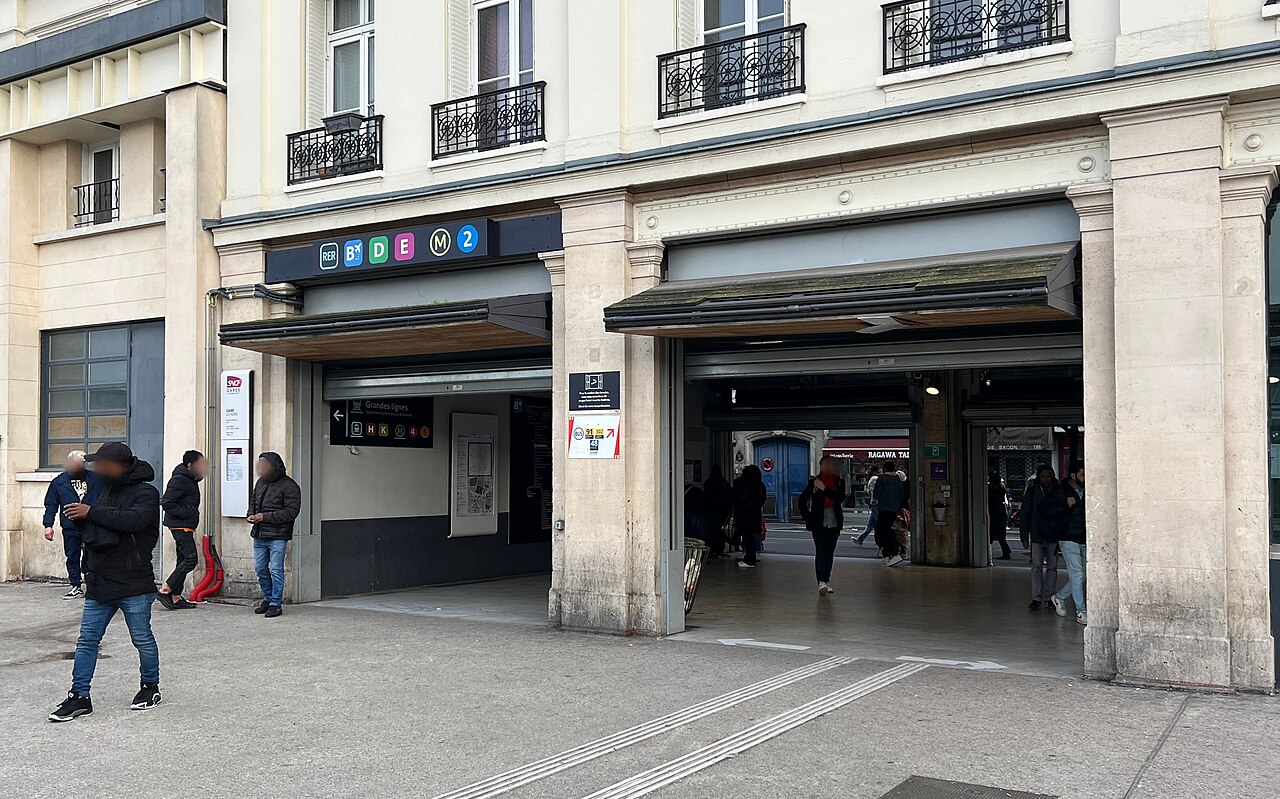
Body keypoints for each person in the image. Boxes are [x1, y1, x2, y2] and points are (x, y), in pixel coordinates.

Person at [48, 442, 161, 722]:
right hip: (100, 582)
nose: (96, 469)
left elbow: (134, 521)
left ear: (119, 466)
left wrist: (91, 513)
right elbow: (95, 523)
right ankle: (79, 697)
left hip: (134, 582)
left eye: (102, 464)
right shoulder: (104, 490)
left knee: (141, 638)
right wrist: (77, 519)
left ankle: (150, 687)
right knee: (87, 641)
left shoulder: (146, 493)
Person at [41, 450, 101, 600]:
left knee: (92, 555)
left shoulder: (97, 479)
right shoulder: (59, 482)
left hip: (92, 523)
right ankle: (75, 585)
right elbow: (51, 504)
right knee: (72, 555)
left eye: (80, 463)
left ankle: (92, 585)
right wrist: (48, 525)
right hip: (70, 525)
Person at [248, 452, 302, 618]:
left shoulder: (290, 485)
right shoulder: (261, 482)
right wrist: (250, 514)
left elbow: (291, 512)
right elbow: (254, 502)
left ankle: (276, 603)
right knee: (260, 568)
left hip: (278, 535)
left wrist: (265, 517)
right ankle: (268, 597)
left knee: (276, 570)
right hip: (259, 533)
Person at [157, 450, 207, 611]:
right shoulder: (180, 480)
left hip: (185, 525)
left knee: (182, 560)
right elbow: (168, 502)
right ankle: (166, 589)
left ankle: (176, 597)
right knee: (191, 559)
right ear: (190, 465)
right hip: (180, 525)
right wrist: (188, 513)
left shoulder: (190, 480)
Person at [800, 456, 847, 595]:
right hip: (818, 523)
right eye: (825, 465)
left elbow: (839, 498)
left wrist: (825, 488)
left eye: (831, 465)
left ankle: (826, 579)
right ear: (820, 466)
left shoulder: (839, 482)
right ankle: (821, 581)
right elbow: (802, 500)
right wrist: (808, 517)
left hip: (834, 522)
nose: (829, 467)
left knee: (830, 552)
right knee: (821, 551)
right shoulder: (814, 482)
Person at [1049, 461, 1087, 625]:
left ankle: (1059, 597)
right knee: (1078, 574)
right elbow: (1046, 510)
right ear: (1073, 475)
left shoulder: (1088, 490)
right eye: (1082, 474)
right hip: (1067, 537)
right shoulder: (1060, 490)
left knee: (1082, 575)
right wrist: (1065, 505)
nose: (1085, 477)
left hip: (1083, 538)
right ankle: (1081, 611)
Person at [1020, 464, 1062, 611]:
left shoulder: (1058, 490)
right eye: (1043, 476)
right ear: (1039, 477)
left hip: (1053, 535)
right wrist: (1024, 536)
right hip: (1037, 535)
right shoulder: (1032, 491)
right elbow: (1025, 513)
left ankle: (1048, 597)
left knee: (1052, 567)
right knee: (1037, 566)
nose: (1045, 479)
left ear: (1052, 477)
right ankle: (1036, 598)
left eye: (1048, 476)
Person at [872, 460, 907, 566]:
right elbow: (902, 495)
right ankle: (888, 554)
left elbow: (876, 493)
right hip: (894, 508)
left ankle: (894, 552)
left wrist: (875, 499)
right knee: (887, 529)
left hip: (884, 507)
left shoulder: (882, 479)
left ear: (885, 468)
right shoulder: (897, 480)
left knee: (882, 530)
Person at [732, 465, 766, 569]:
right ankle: (751, 557)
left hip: (746, 515)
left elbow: (741, 498)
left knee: (748, 537)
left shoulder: (746, 485)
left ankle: (749, 559)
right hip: (755, 514)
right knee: (752, 536)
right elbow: (762, 499)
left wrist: (740, 509)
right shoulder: (760, 485)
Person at [702, 465, 733, 557]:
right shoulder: (723, 481)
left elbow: (707, 495)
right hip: (723, 510)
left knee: (712, 530)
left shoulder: (710, 482)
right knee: (719, 530)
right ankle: (720, 549)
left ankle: (712, 549)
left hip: (712, 510)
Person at [987, 470, 1012, 560]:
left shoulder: (990, 488)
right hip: (1000, 510)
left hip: (993, 511)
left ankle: (988, 552)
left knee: (991, 534)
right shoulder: (1001, 488)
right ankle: (1006, 551)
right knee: (1000, 535)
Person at [855, 465, 880, 546]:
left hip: (874, 503)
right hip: (875, 503)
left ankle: (860, 538)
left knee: (871, 523)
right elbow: (873, 491)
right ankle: (879, 540)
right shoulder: (875, 479)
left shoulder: (873, 479)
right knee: (878, 522)